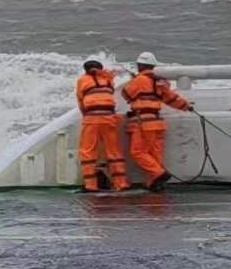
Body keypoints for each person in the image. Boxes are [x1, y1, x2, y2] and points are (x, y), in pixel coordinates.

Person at [121, 51, 193, 191]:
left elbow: (126, 94)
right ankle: (154, 183)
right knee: (155, 154)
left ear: (140, 65)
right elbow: (171, 98)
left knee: (138, 152)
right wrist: (187, 106)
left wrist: (133, 80)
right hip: (157, 123)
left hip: (143, 123)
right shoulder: (161, 82)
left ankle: (159, 174)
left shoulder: (140, 80)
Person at [75, 59, 129, 192]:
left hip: (91, 119)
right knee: (114, 152)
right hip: (110, 118)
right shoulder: (107, 79)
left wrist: (86, 116)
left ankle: (91, 186)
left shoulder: (82, 80)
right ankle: (121, 184)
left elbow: (81, 101)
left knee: (88, 152)